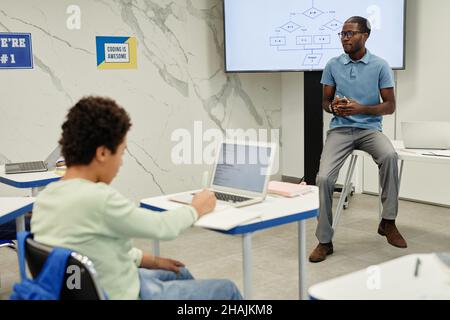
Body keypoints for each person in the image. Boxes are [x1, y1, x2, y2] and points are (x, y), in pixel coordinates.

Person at [31, 96, 243, 300]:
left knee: (180, 272)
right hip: (125, 293)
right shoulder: (98, 199)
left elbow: (97, 249)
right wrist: (197, 207)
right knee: (227, 289)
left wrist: (152, 261)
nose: (121, 163)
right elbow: (162, 227)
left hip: (98, 284)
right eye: (122, 153)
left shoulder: (46, 197)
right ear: (103, 153)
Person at [309, 16, 407, 263]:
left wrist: (361, 108)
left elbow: (390, 107)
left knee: (389, 156)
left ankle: (388, 222)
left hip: (369, 130)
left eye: (350, 33)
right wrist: (334, 107)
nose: (345, 38)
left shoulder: (380, 66)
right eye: (342, 34)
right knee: (323, 178)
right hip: (340, 131)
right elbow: (324, 102)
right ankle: (324, 240)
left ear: (365, 35)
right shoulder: (333, 64)